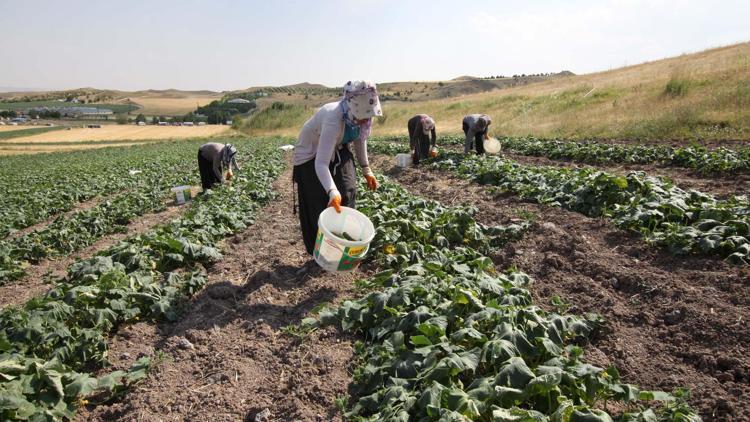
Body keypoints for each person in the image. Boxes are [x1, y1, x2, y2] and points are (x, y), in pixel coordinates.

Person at [292, 80, 381, 255]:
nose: (365, 120)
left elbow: (359, 139)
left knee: (348, 189)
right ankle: (321, 253)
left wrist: (366, 169)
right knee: (319, 202)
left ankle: (341, 246)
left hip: (338, 148)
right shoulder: (333, 118)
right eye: (362, 116)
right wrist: (332, 191)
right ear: (352, 108)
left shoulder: (360, 118)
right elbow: (321, 163)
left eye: (367, 116)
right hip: (311, 156)